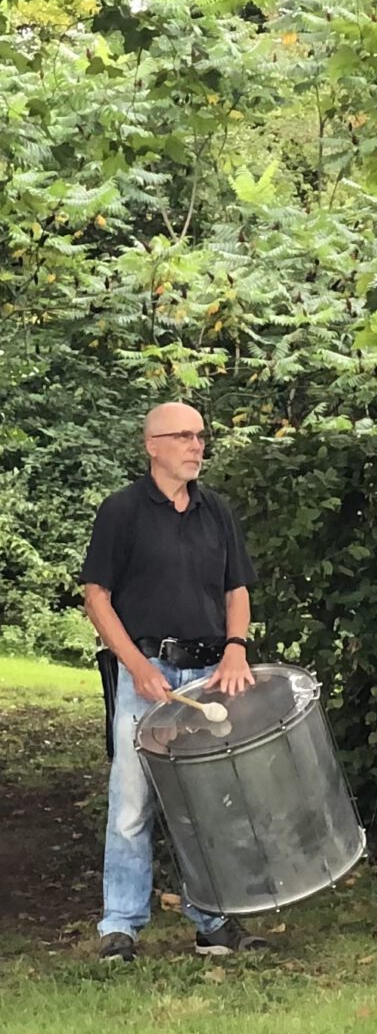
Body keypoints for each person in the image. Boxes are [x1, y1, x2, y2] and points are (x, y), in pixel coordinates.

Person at [78, 402, 266, 961]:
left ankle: (213, 922)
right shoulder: (122, 511)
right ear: (152, 446)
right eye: (183, 436)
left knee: (208, 805)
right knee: (132, 803)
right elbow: (96, 597)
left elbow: (237, 590)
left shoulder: (216, 511)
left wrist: (236, 649)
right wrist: (137, 665)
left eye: (201, 435)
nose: (196, 445)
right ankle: (120, 927)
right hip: (147, 675)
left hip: (208, 678)